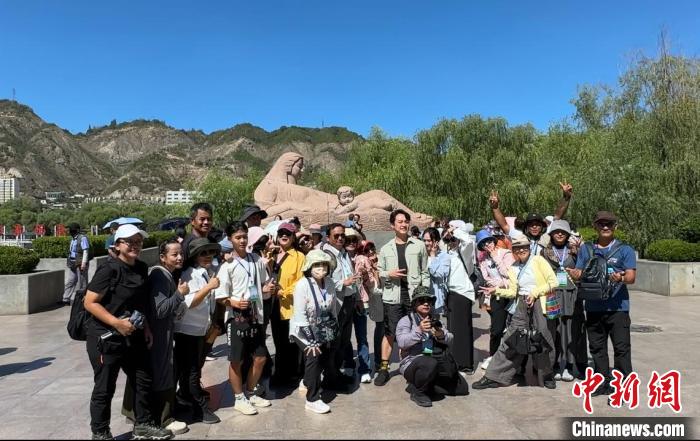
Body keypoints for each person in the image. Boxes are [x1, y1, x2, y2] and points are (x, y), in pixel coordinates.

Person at [83, 224, 172, 440]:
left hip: (134, 334)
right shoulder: (109, 269)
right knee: (105, 387)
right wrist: (116, 323)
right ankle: (100, 432)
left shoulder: (140, 267)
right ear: (117, 245)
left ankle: (143, 424)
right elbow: (90, 302)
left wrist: (146, 327)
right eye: (129, 242)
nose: (135, 246)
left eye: (138, 242)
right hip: (106, 337)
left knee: (143, 379)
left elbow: (140, 301)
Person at [473, 235, 558, 390]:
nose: (521, 250)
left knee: (543, 339)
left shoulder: (538, 261)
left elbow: (553, 282)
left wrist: (535, 293)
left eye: (524, 247)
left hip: (539, 303)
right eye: (518, 248)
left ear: (529, 248)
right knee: (511, 339)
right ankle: (493, 376)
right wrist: (496, 290)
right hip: (522, 304)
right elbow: (513, 292)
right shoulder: (513, 267)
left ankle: (547, 375)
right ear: (514, 250)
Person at [123, 238, 189, 435]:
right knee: (161, 372)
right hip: (158, 335)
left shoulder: (165, 274)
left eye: (181, 253)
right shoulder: (160, 276)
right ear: (162, 257)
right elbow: (160, 310)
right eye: (174, 254)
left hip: (161, 333)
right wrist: (180, 294)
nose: (179, 257)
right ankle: (163, 418)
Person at [568, 211, 636, 395]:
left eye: (609, 224)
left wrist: (621, 277)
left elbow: (631, 277)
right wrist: (575, 274)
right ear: (595, 226)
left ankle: (623, 386)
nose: (605, 227)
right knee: (597, 348)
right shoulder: (586, 249)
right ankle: (602, 382)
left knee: (621, 348)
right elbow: (580, 272)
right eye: (601, 224)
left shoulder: (625, 250)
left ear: (615, 226)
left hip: (618, 308)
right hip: (593, 307)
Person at [215, 222, 274, 415]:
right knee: (236, 360)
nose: (242, 240)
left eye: (244, 236)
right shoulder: (227, 265)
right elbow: (220, 296)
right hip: (237, 318)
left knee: (260, 358)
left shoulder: (256, 259)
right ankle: (239, 398)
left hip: (256, 315)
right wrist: (233, 302)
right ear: (230, 239)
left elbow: (262, 285)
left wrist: (266, 289)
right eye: (237, 237)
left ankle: (250, 391)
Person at [375, 209, 430, 387]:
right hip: (393, 296)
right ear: (392, 225)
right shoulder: (386, 249)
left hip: (414, 296)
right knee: (390, 333)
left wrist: (425, 293)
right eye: (400, 221)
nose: (404, 224)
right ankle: (384, 368)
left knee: (420, 329)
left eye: (406, 221)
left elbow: (425, 272)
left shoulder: (419, 245)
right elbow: (379, 272)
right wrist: (389, 274)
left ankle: (419, 365)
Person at [173, 238, 221, 424]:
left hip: (199, 329)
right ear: (194, 256)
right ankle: (200, 409)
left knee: (190, 370)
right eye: (203, 253)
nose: (207, 256)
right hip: (187, 330)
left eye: (210, 252)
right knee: (192, 371)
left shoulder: (206, 273)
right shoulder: (190, 274)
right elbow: (189, 302)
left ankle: (184, 397)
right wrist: (209, 287)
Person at [397, 286, 469, 407]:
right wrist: (419, 331)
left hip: (435, 359)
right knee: (428, 362)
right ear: (414, 304)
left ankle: (426, 386)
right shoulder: (406, 320)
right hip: (413, 362)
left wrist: (441, 335)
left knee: (462, 388)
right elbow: (402, 342)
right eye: (422, 300)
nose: (426, 303)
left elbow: (450, 338)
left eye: (429, 301)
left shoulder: (434, 319)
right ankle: (418, 392)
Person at [290, 250, 342, 413]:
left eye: (324, 264)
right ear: (309, 267)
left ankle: (307, 381)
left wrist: (334, 329)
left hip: (323, 328)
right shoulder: (302, 285)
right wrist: (311, 340)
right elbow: (300, 315)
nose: (321, 268)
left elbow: (332, 309)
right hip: (303, 329)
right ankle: (312, 399)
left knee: (325, 357)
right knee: (314, 354)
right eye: (317, 265)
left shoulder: (330, 283)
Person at [541, 219, 587, 382]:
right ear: (551, 234)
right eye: (556, 231)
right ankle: (554, 365)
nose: (560, 234)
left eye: (563, 232)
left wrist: (580, 251)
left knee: (572, 330)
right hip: (553, 294)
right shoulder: (544, 252)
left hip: (571, 294)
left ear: (568, 234)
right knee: (555, 329)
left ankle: (569, 365)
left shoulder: (575, 249)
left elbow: (586, 268)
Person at [488, 182, 574, 255]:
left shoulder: (547, 234)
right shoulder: (519, 235)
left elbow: (557, 216)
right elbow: (504, 225)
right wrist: (495, 208)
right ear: (527, 227)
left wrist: (566, 197)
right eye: (531, 225)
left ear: (542, 226)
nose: (534, 227)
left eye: (537, 224)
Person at [321, 224, 360, 380]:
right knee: (334, 341)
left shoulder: (343, 253)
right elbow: (322, 279)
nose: (340, 238)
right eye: (336, 236)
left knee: (344, 340)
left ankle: (336, 373)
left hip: (348, 300)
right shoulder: (326, 255)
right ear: (328, 238)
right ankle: (331, 375)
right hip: (336, 303)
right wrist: (343, 283)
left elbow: (350, 276)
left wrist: (356, 296)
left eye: (342, 235)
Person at [269, 222, 306, 387]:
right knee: (278, 341)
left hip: (290, 305)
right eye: (281, 233)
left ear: (293, 237)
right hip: (273, 305)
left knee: (291, 342)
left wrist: (283, 292)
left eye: (288, 233)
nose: (284, 235)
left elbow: (301, 281)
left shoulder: (299, 257)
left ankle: (292, 374)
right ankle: (280, 373)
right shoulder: (271, 254)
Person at [475, 229, 514, 371]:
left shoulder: (505, 254)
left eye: (489, 241)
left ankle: (512, 359)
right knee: (496, 329)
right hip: (495, 295)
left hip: (511, 294)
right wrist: (498, 285)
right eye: (483, 243)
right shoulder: (483, 259)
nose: (487, 245)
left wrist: (495, 258)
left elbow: (509, 274)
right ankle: (493, 356)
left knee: (512, 329)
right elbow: (487, 278)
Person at [442, 222, 477, 375]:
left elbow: (469, 241)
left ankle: (465, 364)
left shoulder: (465, 252)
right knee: (452, 330)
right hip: (450, 294)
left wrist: (455, 230)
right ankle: (454, 362)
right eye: (449, 239)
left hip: (462, 293)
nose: (451, 241)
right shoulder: (448, 253)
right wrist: (446, 236)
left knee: (462, 330)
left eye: (453, 239)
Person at [344, 228, 372, 383]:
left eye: (354, 240)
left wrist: (366, 274)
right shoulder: (340, 257)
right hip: (345, 301)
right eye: (348, 240)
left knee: (361, 336)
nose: (351, 243)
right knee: (345, 336)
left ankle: (365, 368)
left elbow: (372, 283)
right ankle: (349, 363)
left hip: (360, 301)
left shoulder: (363, 258)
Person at [355, 239, 383, 378]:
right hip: (372, 300)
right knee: (379, 328)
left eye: (372, 248)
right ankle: (376, 363)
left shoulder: (374, 260)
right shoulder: (363, 261)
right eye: (367, 250)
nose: (371, 251)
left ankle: (378, 361)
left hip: (378, 299)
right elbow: (372, 284)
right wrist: (374, 271)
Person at [62, 222, 91, 305]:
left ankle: (83, 300)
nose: (70, 231)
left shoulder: (83, 238)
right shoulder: (73, 238)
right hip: (72, 262)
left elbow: (85, 251)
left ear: (77, 230)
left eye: (71, 229)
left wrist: (84, 263)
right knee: (70, 281)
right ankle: (65, 299)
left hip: (80, 263)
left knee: (82, 283)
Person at [424, 227, 450, 315]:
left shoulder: (444, 256)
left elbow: (440, 274)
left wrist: (433, 256)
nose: (426, 243)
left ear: (436, 241)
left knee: (433, 321)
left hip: (435, 297)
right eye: (424, 240)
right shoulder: (421, 254)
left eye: (429, 240)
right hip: (421, 296)